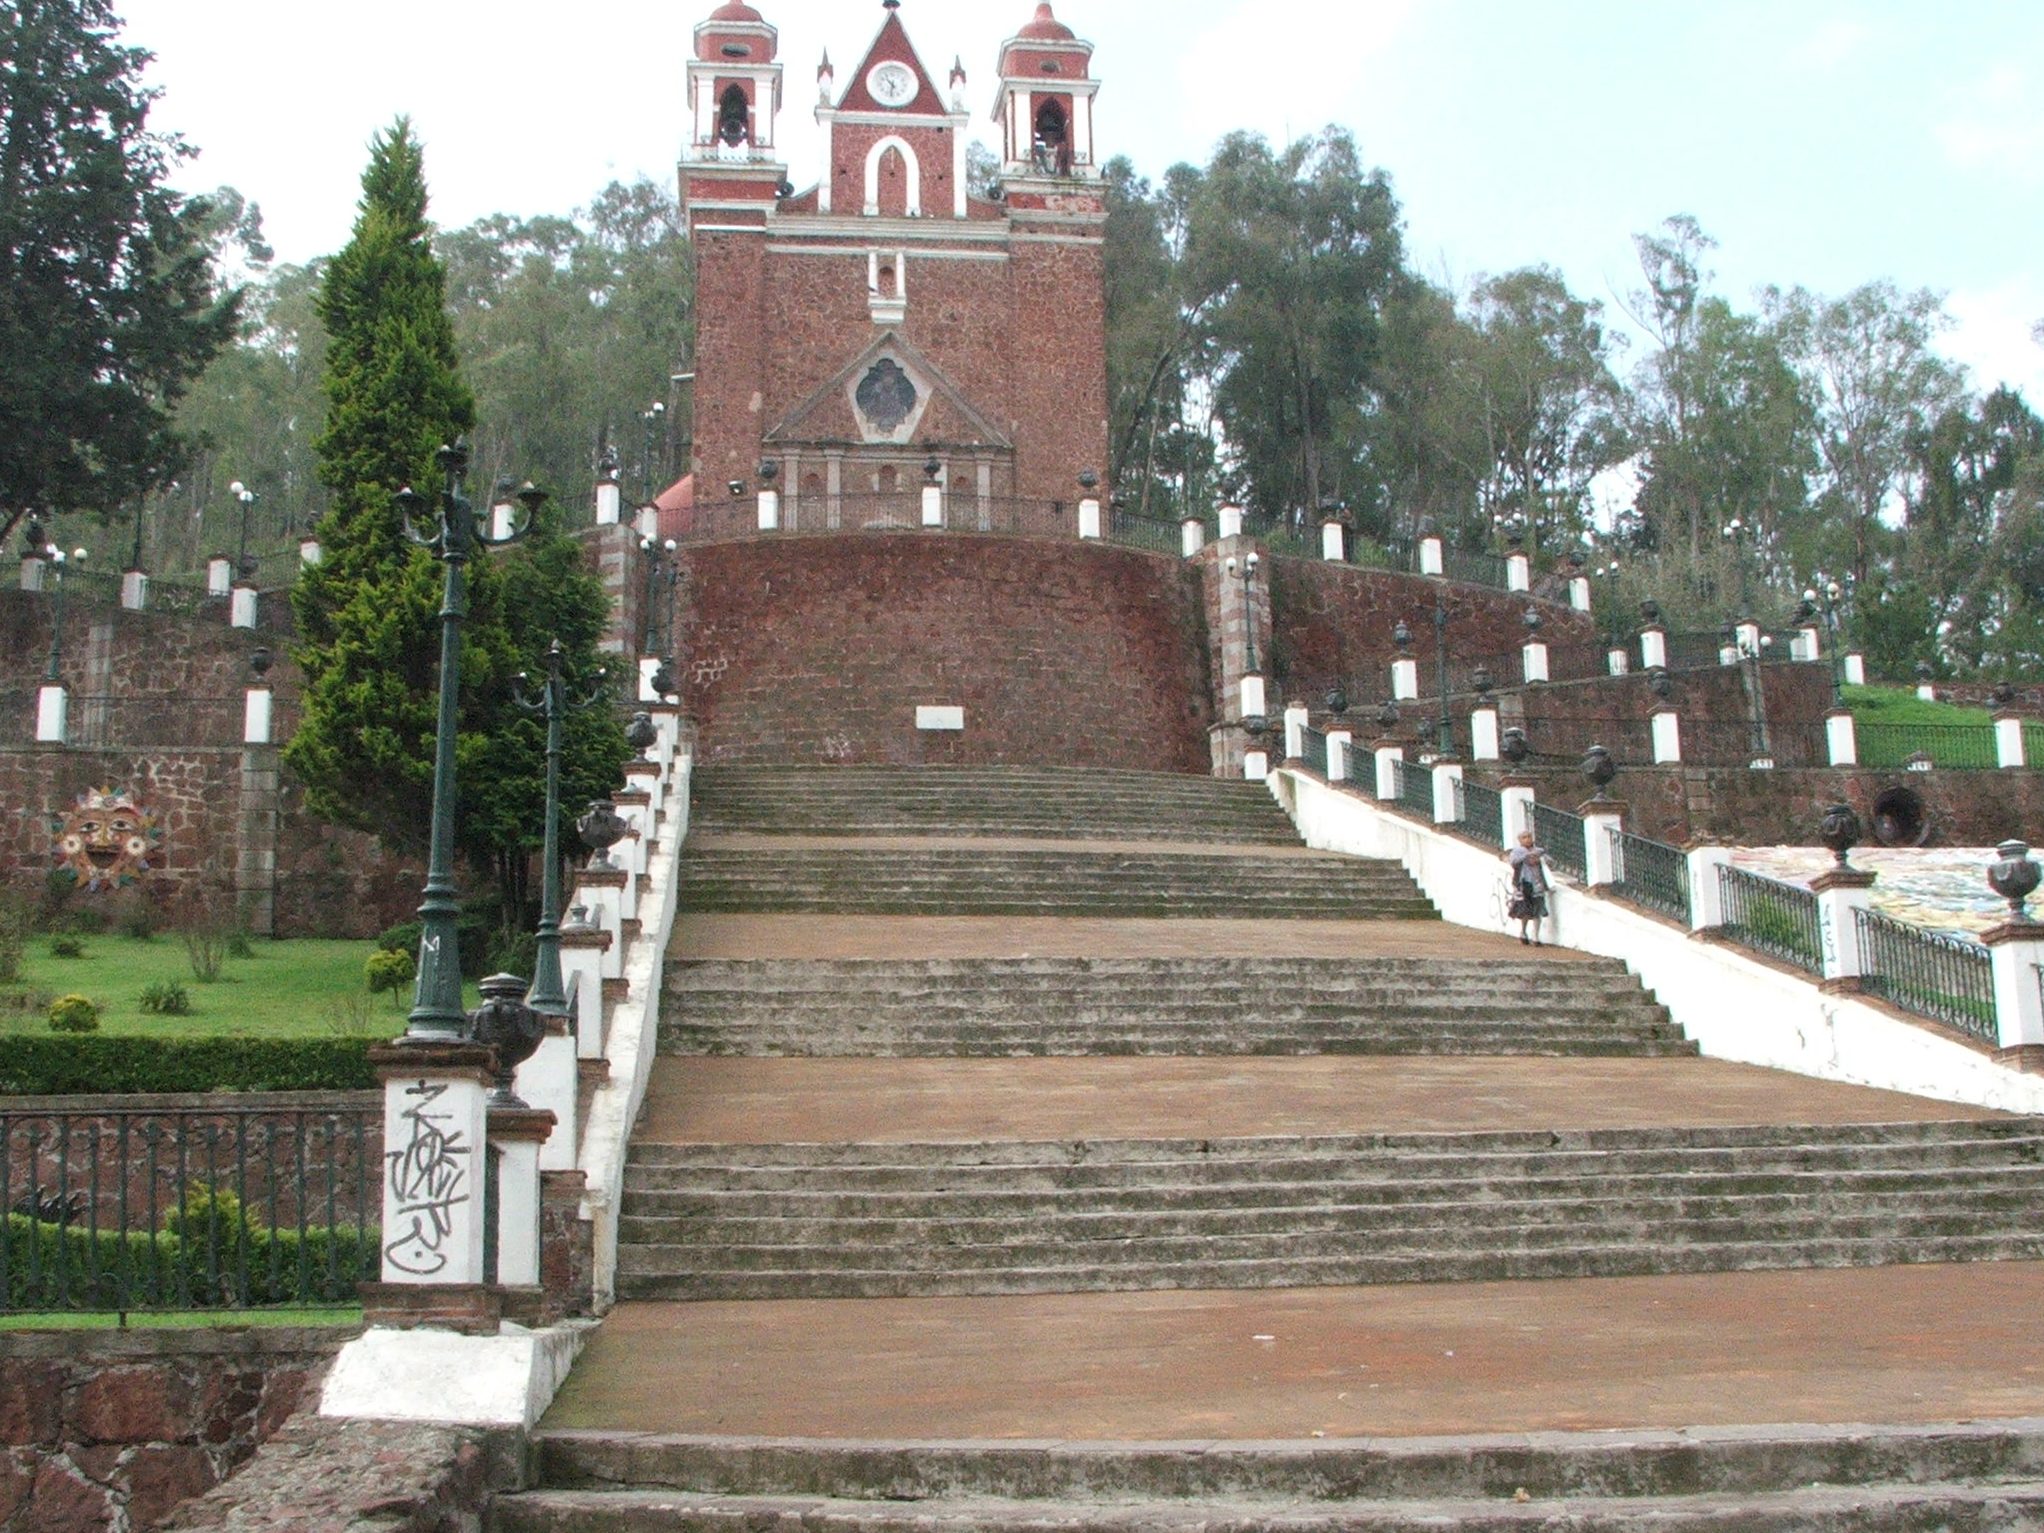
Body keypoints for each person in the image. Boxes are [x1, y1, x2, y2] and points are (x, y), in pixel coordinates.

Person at [1507, 830, 1550, 946]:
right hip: (1524, 884)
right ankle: (1523, 932)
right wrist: (1526, 855)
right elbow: (1513, 862)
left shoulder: (1539, 851)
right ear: (1520, 840)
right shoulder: (1517, 852)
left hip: (1538, 884)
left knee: (1538, 910)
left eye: (1529, 837)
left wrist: (1540, 858)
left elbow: (1549, 861)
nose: (1528, 839)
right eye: (1524, 837)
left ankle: (1536, 936)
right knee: (1525, 910)